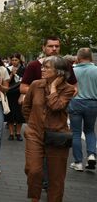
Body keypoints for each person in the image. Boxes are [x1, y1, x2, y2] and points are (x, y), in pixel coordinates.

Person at [22, 56, 75, 202]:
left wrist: (53, 87)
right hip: (35, 133)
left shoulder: (67, 89)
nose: (43, 70)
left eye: (47, 68)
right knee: (34, 170)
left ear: (59, 72)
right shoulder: (35, 85)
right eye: (43, 67)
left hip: (57, 135)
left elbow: (57, 106)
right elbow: (27, 106)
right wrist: (31, 124)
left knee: (56, 173)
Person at [20, 37, 77, 188]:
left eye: (57, 46)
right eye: (50, 46)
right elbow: (23, 88)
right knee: (33, 166)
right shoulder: (33, 66)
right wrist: (38, 91)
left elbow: (73, 87)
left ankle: (47, 183)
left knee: (51, 160)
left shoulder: (65, 66)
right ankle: (40, 179)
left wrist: (61, 93)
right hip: (36, 121)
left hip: (56, 124)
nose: (54, 49)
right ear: (44, 47)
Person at [68, 48, 97, 171]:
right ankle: (91, 154)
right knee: (90, 130)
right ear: (91, 57)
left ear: (78, 58)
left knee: (76, 133)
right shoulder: (96, 70)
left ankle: (78, 162)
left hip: (75, 102)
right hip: (92, 103)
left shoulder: (73, 71)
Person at [5, 53, 25, 141]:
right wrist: (12, 74)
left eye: (16, 60)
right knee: (11, 113)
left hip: (19, 93)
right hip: (10, 93)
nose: (14, 62)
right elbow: (6, 81)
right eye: (12, 60)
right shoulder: (7, 69)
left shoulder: (23, 69)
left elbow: (25, 80)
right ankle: (11, 133)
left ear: (19, 60)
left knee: (19, 114)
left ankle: (18, 133)